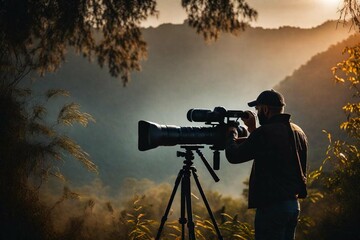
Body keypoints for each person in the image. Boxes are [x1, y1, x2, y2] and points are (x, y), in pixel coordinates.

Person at [225, 89, 308, 240]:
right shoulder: (298, 131)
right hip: (292, 205)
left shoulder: (264, 133)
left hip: (272, 207)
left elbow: (234, 155)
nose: (257, 113)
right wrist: (252, 129)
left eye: (257, 109)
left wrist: (231, 134)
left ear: (265, 109)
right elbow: (270, 149)